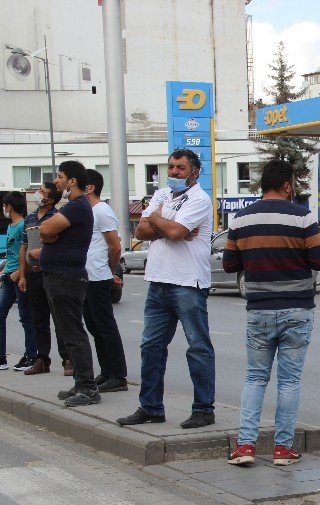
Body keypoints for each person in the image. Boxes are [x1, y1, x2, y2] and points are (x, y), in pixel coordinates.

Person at [222, 159, 320, 466]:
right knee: (289, 381)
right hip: (297, 308)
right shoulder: (302, 216)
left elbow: (229, 264)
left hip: (259, 310)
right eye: (293, 182)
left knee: (255, 378)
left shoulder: (241, 219)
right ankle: (283, 449)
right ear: (287, 185)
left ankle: (245, 447)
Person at [117, 148, 216, 429]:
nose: (174, 172)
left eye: (180, 168)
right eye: (171, 167)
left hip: (188, 283)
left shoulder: (199, 199)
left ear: (195, 172)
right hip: (158, 280)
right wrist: (169, 226)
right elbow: (141, 231)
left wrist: (162, 223)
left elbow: (172, 232)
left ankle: (203, 409)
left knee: (198, 347)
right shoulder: (161, 195)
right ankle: (151, 407)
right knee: (151, 346)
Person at [38, 160, 99, 407]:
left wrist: (49, 235)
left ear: (72, 181)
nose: (56, 181)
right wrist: (49, 235)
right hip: (58, 276)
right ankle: (80, 383)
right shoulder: (73, 206)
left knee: (73, 333)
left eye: (60, 177)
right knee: (67, 332)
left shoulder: (76, 206)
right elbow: (47, 231)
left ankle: (88, 387)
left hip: (67, 277)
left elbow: (44, 230)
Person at [0, 191, 37, 372]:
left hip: (19, 277)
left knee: (26, 317)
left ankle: (31, 356)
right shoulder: (11, 226)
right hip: (8, 276)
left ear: (9, 206)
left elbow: (27, 251)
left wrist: (20, 272)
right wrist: (5, 270)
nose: (3, 209)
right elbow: (12, 253)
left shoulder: (23, 226)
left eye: (4, 205)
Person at [81, 168, 128, 393]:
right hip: (87, 276)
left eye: (78, 185)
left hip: (99, 276)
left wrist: (110, 272)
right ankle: (106, 371)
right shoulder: (88, 211)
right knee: (94, 325)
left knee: (105, 326)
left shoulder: (102, 211)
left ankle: (118, 376)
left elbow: (115, 246)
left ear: (89, 188)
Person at [18, 182, 66, 375]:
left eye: (42, 192)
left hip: (51, 273)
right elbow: (23, 247)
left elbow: (62, 244)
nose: (37, 194)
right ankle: (42, 359)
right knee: (38, 320)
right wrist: (22, 274)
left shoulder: (57, 217)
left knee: (59, 319)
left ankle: (67, 360)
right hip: (33, 275)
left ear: (51, 199)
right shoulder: (29, 218)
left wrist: (44, 253)